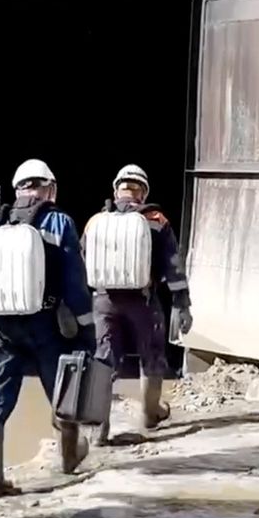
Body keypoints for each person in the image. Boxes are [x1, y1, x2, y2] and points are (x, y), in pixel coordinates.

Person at [0, 159, 96, 497]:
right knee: (62, 391)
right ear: (50, 189)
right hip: (46, 324)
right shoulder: (59, 222)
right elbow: (74, 281)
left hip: (1, 326)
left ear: (17, 191)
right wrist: (86, 328)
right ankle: (69, 460)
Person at [85, 164, 192, 443]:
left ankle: (99, 430)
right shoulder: (156, 219)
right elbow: (173, 265)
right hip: (143, 301)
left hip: (104, 300)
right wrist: (182, 303)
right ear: (143, 192)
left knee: (103, 360)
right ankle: (149, 413)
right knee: (152, 355)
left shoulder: (96, 221)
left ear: (116, 189)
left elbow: (82, 258)